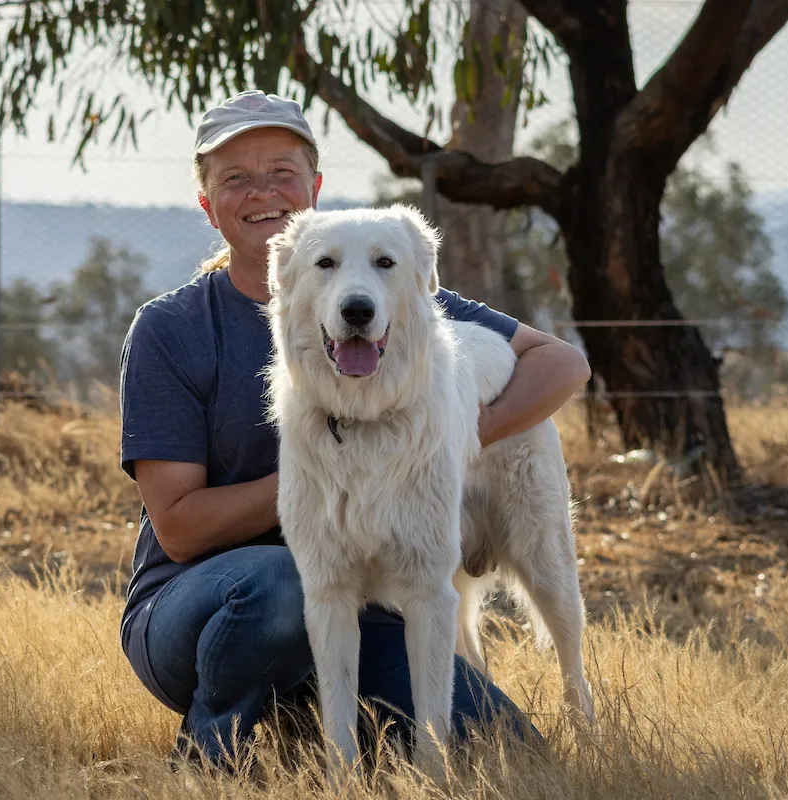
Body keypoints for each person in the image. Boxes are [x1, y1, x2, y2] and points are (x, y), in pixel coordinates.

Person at [118, 89, 591, 770]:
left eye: (281, 172)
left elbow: (562, 364)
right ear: (207, 204)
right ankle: (213, 752)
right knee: (282, 582)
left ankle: (317, 728)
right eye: (236, 179)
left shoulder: (384, 290)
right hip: (201, 609)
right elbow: (181, 528)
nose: (262, 192)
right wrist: (319, 471)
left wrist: (457, 432)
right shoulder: (172, 329)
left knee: (503, 751)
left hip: (371, 609)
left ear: (313, 189)